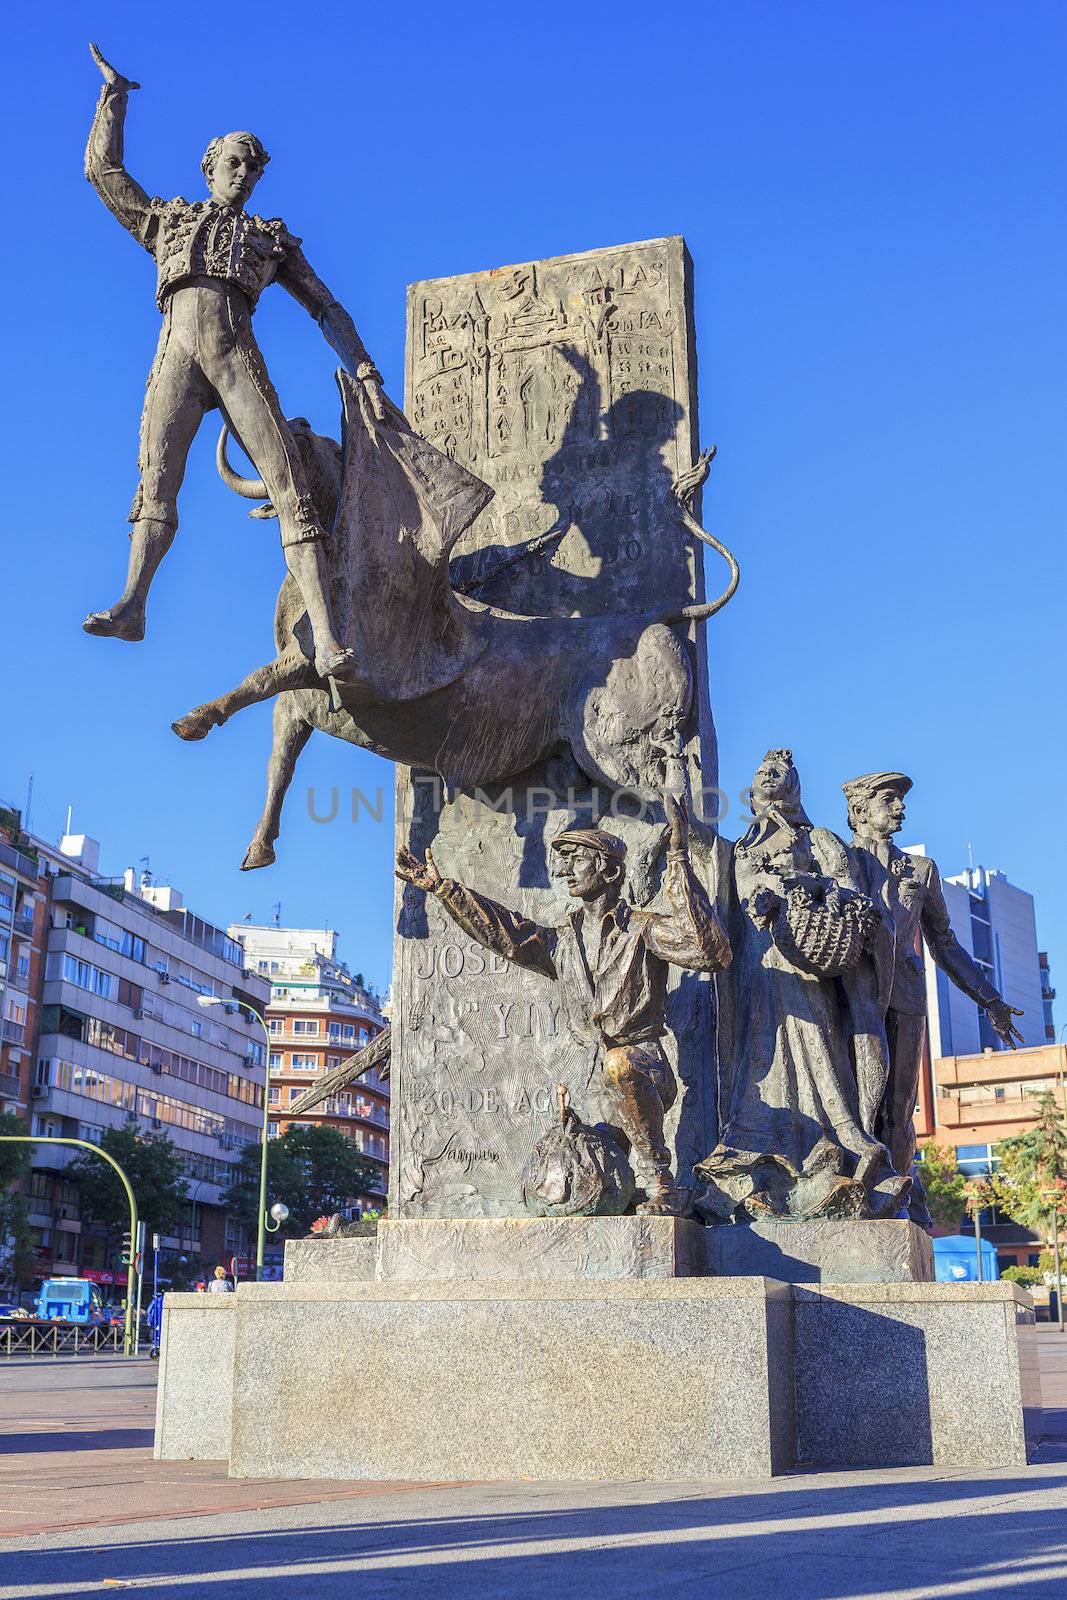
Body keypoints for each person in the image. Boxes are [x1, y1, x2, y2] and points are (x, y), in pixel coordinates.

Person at [82, 43, 387, 682]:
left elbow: (326, 308)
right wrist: (113, 98)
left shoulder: (269, 238)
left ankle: (329, 639)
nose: (244, 175)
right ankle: (133, 604)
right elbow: (103, 172)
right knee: (155, 483)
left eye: (253, 169)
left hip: (233, 353)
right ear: (211, 167)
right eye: (235, 163)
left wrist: (363, 368)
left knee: (289, 484)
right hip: (175, 355)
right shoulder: (166, 221)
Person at [396, 796, 731, 1214]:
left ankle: (664, 1184)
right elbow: (505, 934)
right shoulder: (562, 941)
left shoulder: (642, 929)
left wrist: (678, 859)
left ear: (608, 869)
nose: (563, 870)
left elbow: (711, 952)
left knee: (620, 1065)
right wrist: (445, 890)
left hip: (642, 1064)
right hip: (593, 1080)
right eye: (563, 860)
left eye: (576, 859)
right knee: (579, 1180)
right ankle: (625, 1191)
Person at [698, 750, 907, 1220]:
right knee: (757, 1052)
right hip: (754, 964)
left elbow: (848, 890)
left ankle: (825, 1141)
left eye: (778, 773)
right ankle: (755, 1150)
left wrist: (797, 887)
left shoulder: (819, 839)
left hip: (803, 956)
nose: (767, 778)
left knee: (815, 1045)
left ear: (793, 786)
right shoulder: (739, 845)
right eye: (760, 772)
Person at [843, 770, 1024, 1228]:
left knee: (900, 1105)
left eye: (901, 802)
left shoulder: (921, 871)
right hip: (852, 998)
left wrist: (991, 1000)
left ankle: (897, 1197)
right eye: (889, 801)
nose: (901, 808)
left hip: (904, 997)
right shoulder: (838, 862)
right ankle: (855, 1190)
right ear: (860, 810)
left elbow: (945, 942)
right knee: (855, 1101)